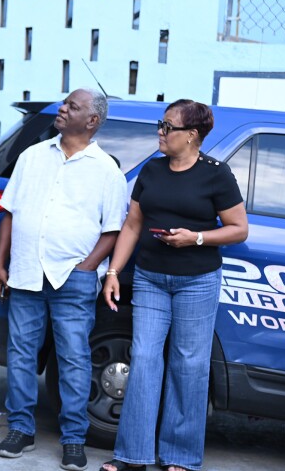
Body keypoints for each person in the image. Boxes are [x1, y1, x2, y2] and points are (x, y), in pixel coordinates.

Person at [100, 100, 248, 471]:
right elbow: (133, 224)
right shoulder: (152, 169)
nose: (160, 132)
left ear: (192, 136)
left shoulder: (217, 174)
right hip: (151, 278)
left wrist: (195, 238)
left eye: (168, 127)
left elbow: (238, 228)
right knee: (145, 359)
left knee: (189, 365)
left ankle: (179, 457)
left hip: (196, 282)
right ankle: (131, 455)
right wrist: (114, 272)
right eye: (161, 125)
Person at [0, 88, 127, 471]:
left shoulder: (106, 170)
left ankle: (73, 438)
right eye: (65, 103)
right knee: (20, 353)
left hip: (73, 278)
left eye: (73, 106)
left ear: (92, 121)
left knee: (73, 358)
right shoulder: (32, 156)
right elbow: (10, 212)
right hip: (26, 273)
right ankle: (20, 429)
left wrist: (87, 268)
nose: (63, 109)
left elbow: (113, 230)